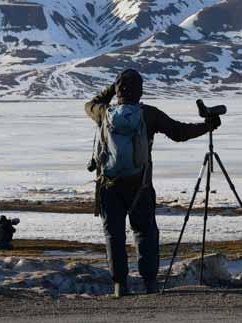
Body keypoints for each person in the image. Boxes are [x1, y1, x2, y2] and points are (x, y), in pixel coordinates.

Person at [84, 69, 221, 297]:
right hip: (141, 187)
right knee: (146, 233)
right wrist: (208, 126)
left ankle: (120, 286)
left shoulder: (103, 112)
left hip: (109, 187)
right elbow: (179, 132)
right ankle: (150, 285)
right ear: (140, 91)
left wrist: (111, 89)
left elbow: (90, 103)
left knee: (114, 235)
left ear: (117, 90)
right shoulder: (148, 114)